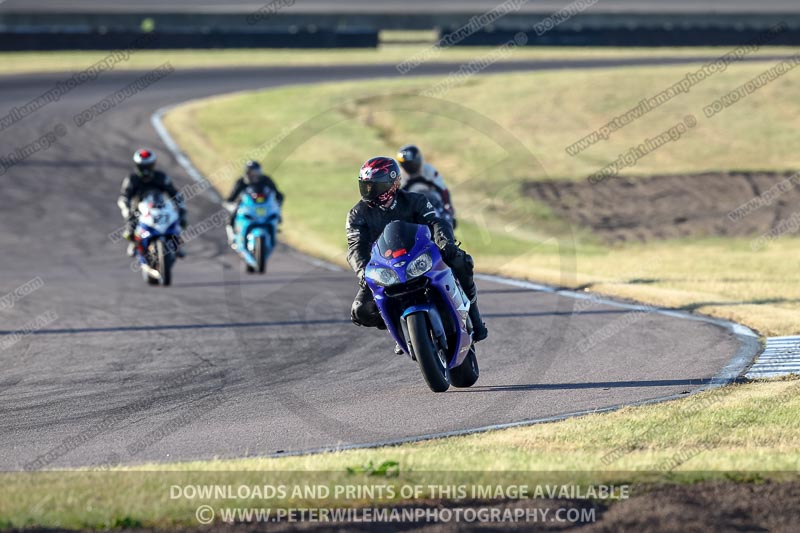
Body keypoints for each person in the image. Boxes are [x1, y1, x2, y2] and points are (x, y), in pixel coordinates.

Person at [346, 156, 487, 353]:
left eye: (374, 186)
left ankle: (475, 315)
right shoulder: (357, 214)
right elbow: (355, 247)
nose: (368, 191)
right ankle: (401, 330)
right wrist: (362, 271)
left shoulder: (415, 200)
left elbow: (436, 222)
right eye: (365, 186)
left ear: (392, 184)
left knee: (461, 261)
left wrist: (446, 244)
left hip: (421, 257)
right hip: (385, 268)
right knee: (361, 310)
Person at [118, 149, 187, 257]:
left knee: (178, 219)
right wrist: (126, 208)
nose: (145, 171)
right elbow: (124, 197)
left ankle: (176, 242)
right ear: (137, 166)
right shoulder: (132, 179)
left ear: (152, 165)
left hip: (159, 206)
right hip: (139, 207)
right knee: (130, 224)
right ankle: (134, 243)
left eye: (148, 167)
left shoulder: (161, 177)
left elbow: (174, 193)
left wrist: (181, 208)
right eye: (142, 167)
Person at [225, 160, 284, 246]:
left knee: (275, 215)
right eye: (251, 172)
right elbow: (231, 198)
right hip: (247, 207)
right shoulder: (241, 182)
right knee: (231, 218)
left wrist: (278, 204)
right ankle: (232, 237)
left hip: (264, 207)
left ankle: (273, 231)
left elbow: (278, 195)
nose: (254, 175)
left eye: (256, 172)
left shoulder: (266, 180)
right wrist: (231, 205)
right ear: (247, 172)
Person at [396, 144, 456, 228]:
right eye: (406, 165)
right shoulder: (400, 177)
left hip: (435, 204)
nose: (410, 168)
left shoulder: (429, 170)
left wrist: (448, 208)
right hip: (414, 209)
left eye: (411, 165)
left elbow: (443, 190)